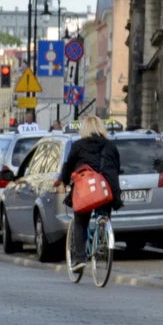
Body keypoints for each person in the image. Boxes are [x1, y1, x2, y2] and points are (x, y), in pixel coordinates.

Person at [59, 116, 123, 272]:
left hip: (87, 191)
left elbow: (68, 167)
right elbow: (117, 166)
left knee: (80, 221)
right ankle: (103, 234)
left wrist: (65, 182)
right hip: (106, 189)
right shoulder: (110, 146)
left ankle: (80, 259)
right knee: (104, 212)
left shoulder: (78, 146)